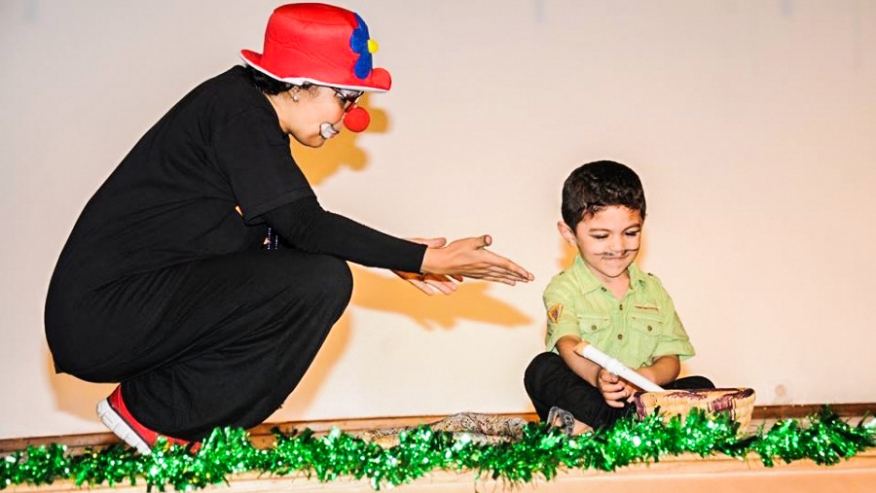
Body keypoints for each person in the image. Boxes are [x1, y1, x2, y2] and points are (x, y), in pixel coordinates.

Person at [44, 3, 532, 454]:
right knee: (322, 279)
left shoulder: (244, 113)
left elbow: (288, 231)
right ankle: (157, 413)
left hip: (129, 306)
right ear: (298, 85)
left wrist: (398, 255)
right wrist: (422, 259)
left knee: (306, 276)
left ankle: (191, 428)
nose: (349, 117)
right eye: (345, 97)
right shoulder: (238, 111)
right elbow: (305, 223)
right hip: (101, 315)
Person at [523, 160, 712, 434]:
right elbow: (568, 343)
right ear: (569, 234)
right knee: (541, 369)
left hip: (640, 400)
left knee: (701, 386)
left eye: (631, 233)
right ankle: (623, 427)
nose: (618, 246)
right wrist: (597, 377)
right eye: (601, 236)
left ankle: (598, 428)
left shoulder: (653, 290)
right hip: (589, 394)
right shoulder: (563, 287)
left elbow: (670, 359)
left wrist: (645, 377)